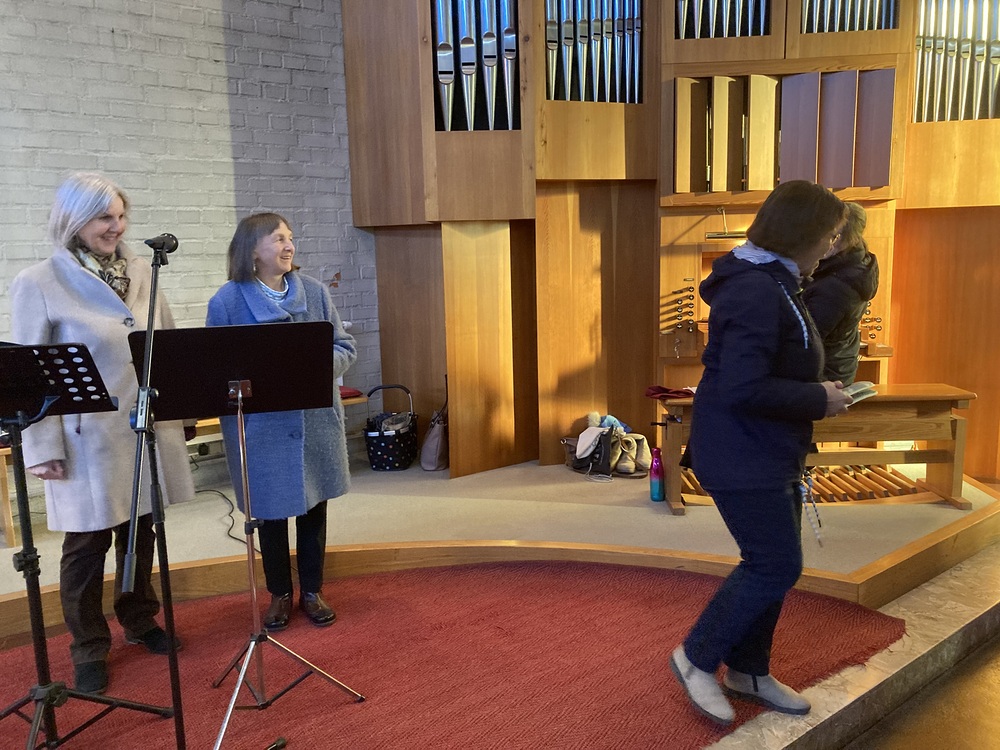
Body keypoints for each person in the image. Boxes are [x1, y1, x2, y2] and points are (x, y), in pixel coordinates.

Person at [670, 180, 853, 726]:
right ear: (803, 232)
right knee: (774, 564)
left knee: (772, 564)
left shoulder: (778, 279)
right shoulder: (754, 288)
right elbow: (742, 387)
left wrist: (816, 393)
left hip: (769, 448)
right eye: (830, 234)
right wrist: (817, 398)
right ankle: (697, 656)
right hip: (741, 451)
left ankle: (749, 670)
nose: (833, 245)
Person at [9, 172, 195, 695]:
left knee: (142, 530)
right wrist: (40, 446)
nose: (116, 226)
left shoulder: (144, 270)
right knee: (86, 546)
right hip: (83, 437)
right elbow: (29, 375)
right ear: (74, 220)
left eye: (120, 215)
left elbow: (168, 345)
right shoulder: (39, 281)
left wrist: (182, 412)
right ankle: (88, 646)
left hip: (143, 427)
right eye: (103, 217)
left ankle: (138, 619)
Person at [206, 212, 357, 631]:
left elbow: (344, 346)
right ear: (252, 250)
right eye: (278, 238)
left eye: (290, 237)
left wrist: (311, 367)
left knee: (314, 509)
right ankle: (279, 594)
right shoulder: (227, 301)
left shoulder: (315, 292)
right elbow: (215, 366)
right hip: (261, 430)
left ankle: (312, 591)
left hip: (314, 423)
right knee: (270, 515)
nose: (289, 245)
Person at [801, 202, 879, 386]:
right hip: (837, 365)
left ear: (842, 237)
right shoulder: (855, 259)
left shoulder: (837, 287)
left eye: (829, 235)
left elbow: (806, 340)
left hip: (824, 374)